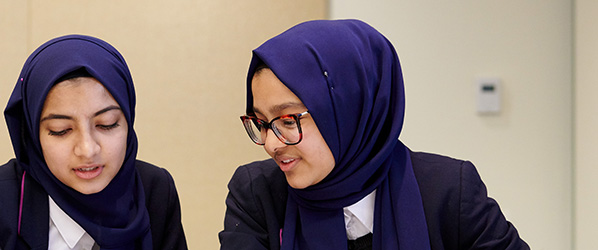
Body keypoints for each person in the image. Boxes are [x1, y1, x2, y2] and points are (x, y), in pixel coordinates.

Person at [219, 19, 528, 250]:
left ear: (349, 112)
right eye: (261, 123)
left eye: (287, 121)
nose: (271, 145)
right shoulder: (257, 195)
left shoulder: (448, 192)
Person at [0, 35, 187, 250]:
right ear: (33, 135)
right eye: (61, 130)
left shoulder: (153, 191)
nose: (87, 149)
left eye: (107, 124)